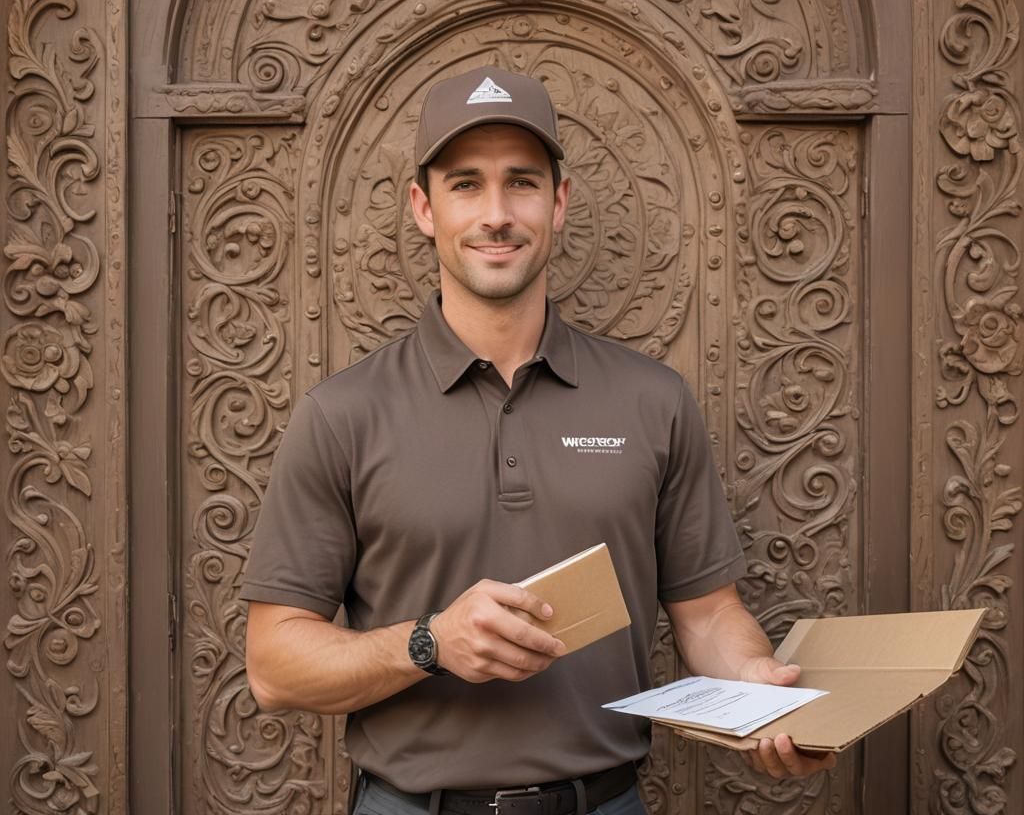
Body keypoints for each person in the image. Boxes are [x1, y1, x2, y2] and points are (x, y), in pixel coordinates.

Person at [241, 65, 837, 815]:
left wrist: (756, 685)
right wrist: (429, 643)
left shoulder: (653, 400)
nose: (497, 213)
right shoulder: (342, 414)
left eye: (522, 182)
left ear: (558, 204)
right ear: (425, 208)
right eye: (466, 184)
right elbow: (272, 666)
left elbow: (709, 615)